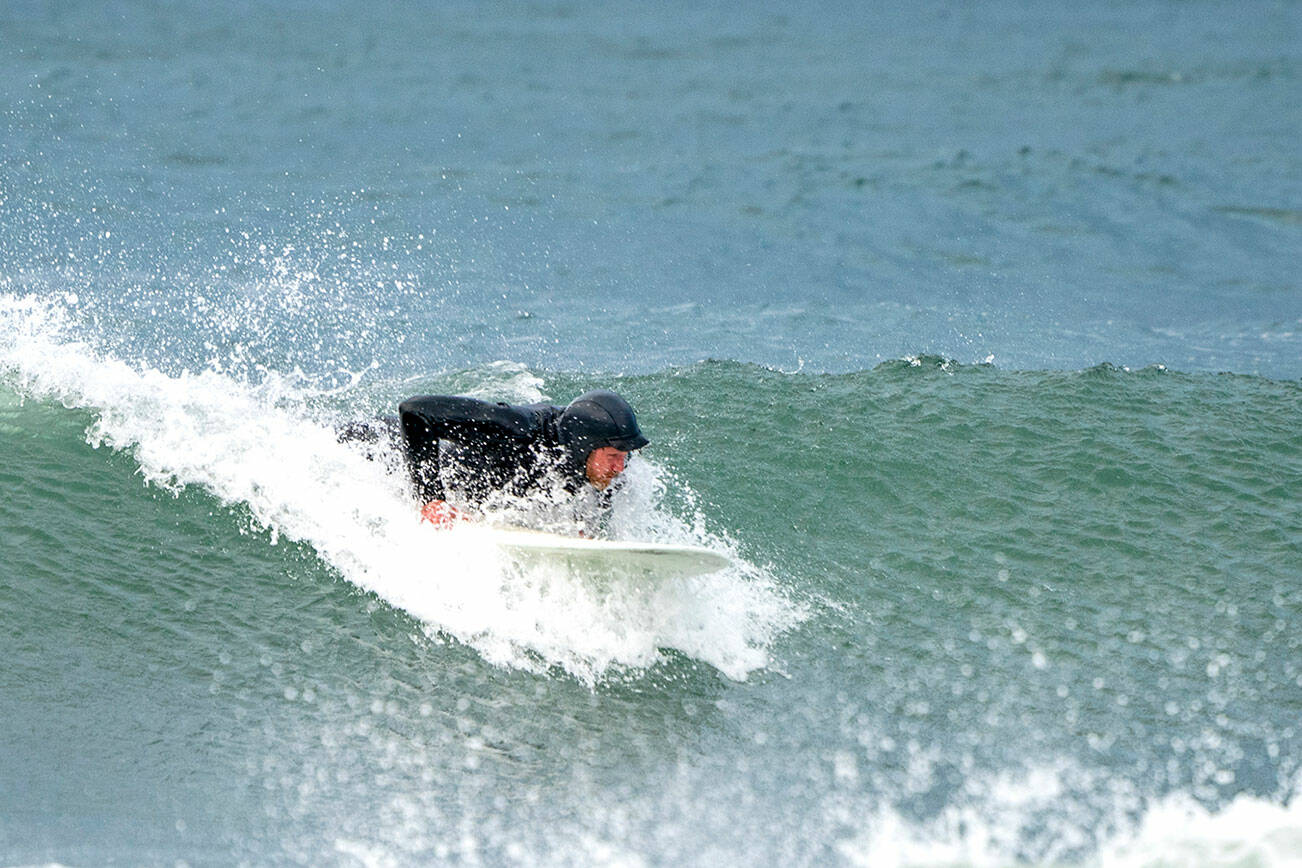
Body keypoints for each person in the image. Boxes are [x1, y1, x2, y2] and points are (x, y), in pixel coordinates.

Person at [343, 389, 648, 533]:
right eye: (613, 458)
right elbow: (414, 412)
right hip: (384, 449)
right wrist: (431, 499)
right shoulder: (517, 429)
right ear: (585, 446)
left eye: (624, 457)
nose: (620, 468)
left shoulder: (611, 454)